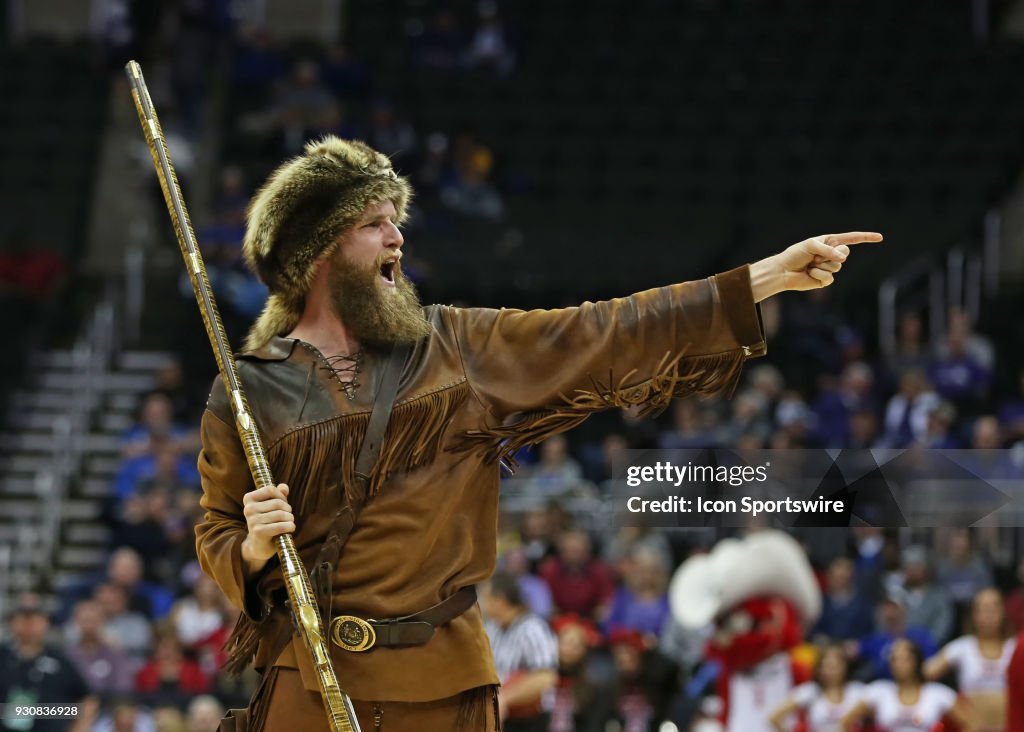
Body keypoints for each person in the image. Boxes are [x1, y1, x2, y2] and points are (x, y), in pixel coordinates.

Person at [193, 135, 881, 729]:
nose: (399, 236)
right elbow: (216, 534)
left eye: (396, 219)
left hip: (444, 684)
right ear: (321, 246)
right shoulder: (248, 390)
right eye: (377, 222)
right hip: (308, 681)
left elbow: (598, 329)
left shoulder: (455, 345)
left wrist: (759, 281)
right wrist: (252, 547)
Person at [0, 594, 98, 732]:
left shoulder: (60, 660)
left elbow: (88, 700)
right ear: (12, 622)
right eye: (23, 617)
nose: (29, 624)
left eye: (35, 618)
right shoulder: (3, 656)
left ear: (46, 622)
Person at [923, 588, 1016, 732]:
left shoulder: (1014, 648)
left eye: (993, 609)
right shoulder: (962, 647)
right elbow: (923, 673)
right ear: (974, 615)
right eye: (982, 610)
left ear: (1003, 613)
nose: (988, 616)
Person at [483, 574, 558, 731]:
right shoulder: (491, 628)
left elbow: (546, 678)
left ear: (499, 599)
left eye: (486, 597)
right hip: (500, 714)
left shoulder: (533, 629)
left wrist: (505, 698)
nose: (482, 603)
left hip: (530, 718)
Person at [842, 638, 969, 732]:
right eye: (895, 659)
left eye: (905, 659)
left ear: (917, 661)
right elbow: (846, 722)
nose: (899, 664)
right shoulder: (879, 691)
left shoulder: (937, 693)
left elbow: (970, 723)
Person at [768, 644, 863, 732]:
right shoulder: (810, 691)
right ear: (819, 669)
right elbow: (774, 718)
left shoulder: (856, 690)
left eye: (835, 666)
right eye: (827, 666)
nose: (831, 671)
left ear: (845, 667)